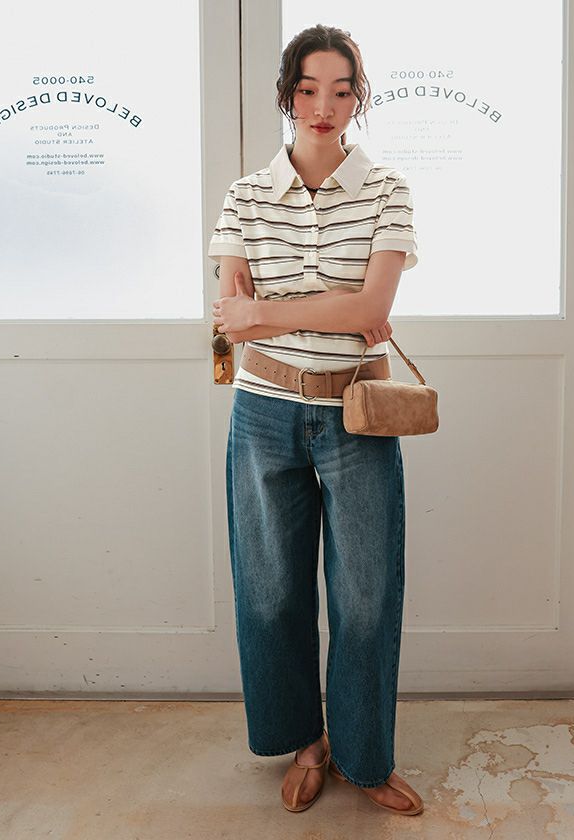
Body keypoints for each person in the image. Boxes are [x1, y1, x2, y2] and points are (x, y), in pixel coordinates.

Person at [208, 24, 423, 816]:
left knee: (365, 598)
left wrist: (271, 310)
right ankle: (307, 744)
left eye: (340, 90)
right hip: (263, 412)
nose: (323, 106)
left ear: (358, 97)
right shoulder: (245, 195)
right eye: (307, 89)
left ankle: (365, 758)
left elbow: (370, 309)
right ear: (287, 94)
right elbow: (231, 322)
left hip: (357, 413)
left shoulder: (387, 190)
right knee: (271, 594)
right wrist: (325, 307)